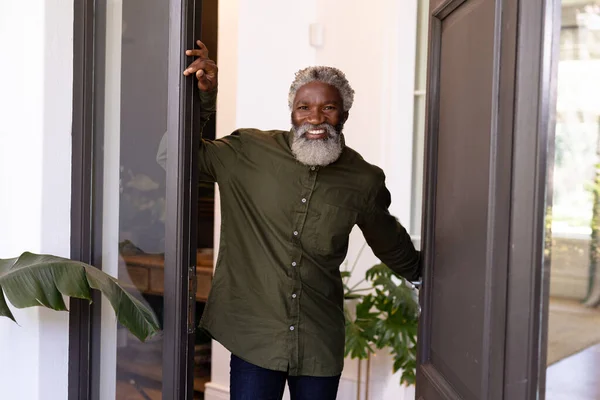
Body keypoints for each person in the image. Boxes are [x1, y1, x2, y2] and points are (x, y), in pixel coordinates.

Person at [182, 40, 421, 400]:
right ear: (291, 112)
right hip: (254, 335)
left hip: (318, 340)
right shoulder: (247, 152)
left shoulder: (364, 180)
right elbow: (176, 157)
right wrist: (204, 98)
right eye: (304, 108)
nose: (315, 118)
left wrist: (429, 278)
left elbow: (391, 243)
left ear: (344, 114)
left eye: (329, 108)